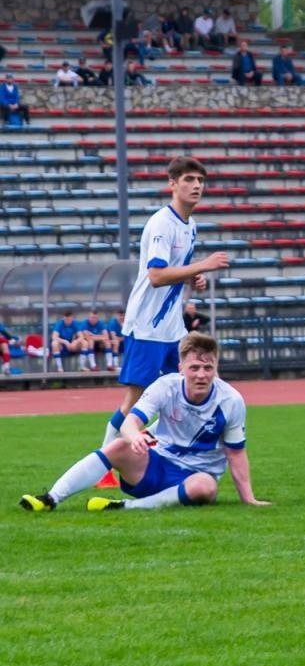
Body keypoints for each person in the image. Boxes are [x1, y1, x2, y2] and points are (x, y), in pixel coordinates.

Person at [19, 332, 268, 512]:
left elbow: (236, 454)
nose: (201, 374)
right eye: (194, 368)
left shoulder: (231, 400)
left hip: (193, 478)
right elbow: (130, 422)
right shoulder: (165, 386)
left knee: (206, 487)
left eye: (207, 367)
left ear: (216, 367)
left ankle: (122, 507)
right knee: (118, 446)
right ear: (181, 367)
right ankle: (50, 498)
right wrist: (134, 436)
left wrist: (249, 499)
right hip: (153, 467)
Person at [103, 156, 231, 448]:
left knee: (199, 383)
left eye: (200, 180)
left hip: (173, 328)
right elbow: (157, 276)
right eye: (188, 179)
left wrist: (192, 277)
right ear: (172, 184)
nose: (196, 185)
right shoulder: (162, 223)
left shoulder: (190, 224)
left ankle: (182, 450)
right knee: (136, 400)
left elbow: (173, 270)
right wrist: (202, 266)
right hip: (148, 326)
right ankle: (105, 461)